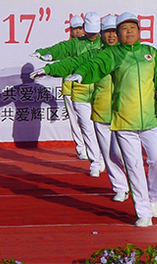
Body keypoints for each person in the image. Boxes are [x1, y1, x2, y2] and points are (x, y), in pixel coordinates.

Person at [67, 12, 157, 227]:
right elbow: (95, 66)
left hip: (150, 120)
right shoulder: (113, 55)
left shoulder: (150, 53)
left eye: (132, 28)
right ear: (118, 33)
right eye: (123, 28)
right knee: (134, 165)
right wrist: (82, 74)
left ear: (139, 31)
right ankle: (143, 212)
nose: (128, 31)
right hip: (124, 122)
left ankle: (153, 197)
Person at [30, 14, 129, 202]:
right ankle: (109, 175)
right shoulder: (94, 51)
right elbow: (72, 60)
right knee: (88, 129)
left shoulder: (133, 52)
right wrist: (48, 66)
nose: (109, 36)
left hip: (125, 108)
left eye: (113, 32)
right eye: (106, 33)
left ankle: (143, 193)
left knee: (124, 152)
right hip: (90, 97)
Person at [31, 12, 105, 176]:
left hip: (101, 89)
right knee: (82, 123)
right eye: (78, 29)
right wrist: (46, 55)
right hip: (76, 88)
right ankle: (89, 155)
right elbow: (62, 52)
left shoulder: (105, 44)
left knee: (100, 126)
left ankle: (101, 156)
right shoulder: (75, 44)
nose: (90, 34)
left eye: (95, 31)